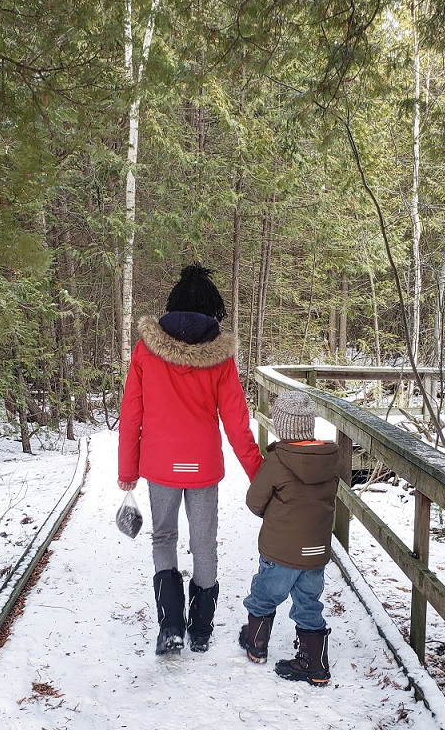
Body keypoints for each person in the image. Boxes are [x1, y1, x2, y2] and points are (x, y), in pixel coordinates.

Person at [118, 264, 262, 655]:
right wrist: (259, 474)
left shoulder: (147, 349)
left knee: (163, 537)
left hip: (160, 464)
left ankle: (170, 625)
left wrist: (127, 469)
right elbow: (236, 421)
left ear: (174, 303)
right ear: (210, 308)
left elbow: (131, 411)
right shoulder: (219, 357)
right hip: (202, 466)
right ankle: (200, 629)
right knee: (204, 544)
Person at [239, 390, 342, 685]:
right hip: (316, 552)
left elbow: (255, 502)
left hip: (280, 552)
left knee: (264, 595)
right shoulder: (329, 459)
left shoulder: (277, 461)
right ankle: (316, 666)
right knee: (309, 602)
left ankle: (256, 645)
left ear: (282, 427)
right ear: (308, 425)